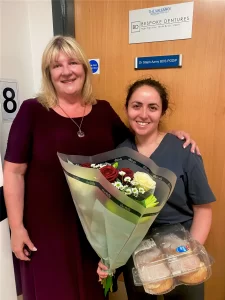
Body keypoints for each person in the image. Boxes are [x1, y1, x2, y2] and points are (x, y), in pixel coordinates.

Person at [3, 36, 199, 300]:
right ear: (48, 73)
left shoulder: (103, 111)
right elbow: (14, 172)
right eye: (56, 65)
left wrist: (170, 136)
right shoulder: (32, 111)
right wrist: (17, 228)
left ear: (84, 67)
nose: (66, 71)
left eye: (73, 62)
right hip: (47, 230)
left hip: (98, 229)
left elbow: (136, 144)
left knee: (93, 291)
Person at [98, 78, 215, 300]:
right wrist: (108, 255)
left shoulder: (184, 150)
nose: (143, 114)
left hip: (182, 247)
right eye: (136, 106)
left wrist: (188, 253)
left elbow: (203, 209)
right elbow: (117, 216)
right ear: (126, 109)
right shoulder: (120, 155)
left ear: (162, 112)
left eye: (152, 107)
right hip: (140, 253)